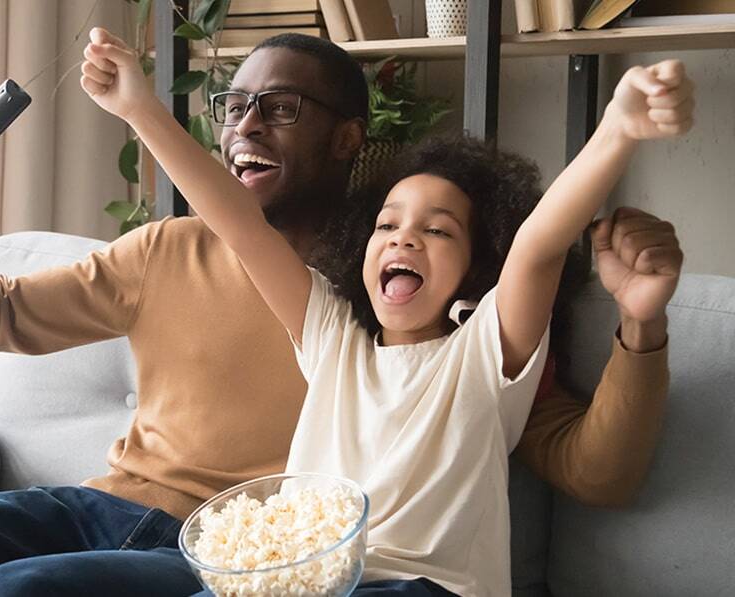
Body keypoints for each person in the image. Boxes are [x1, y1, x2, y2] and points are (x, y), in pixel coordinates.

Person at [0, 30, 686, 597]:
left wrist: (635, 278)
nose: (243, 127)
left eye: (279, 107)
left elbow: (542, 290)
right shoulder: (264, 294)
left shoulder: (468, 345)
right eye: (232, 106)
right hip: (99, 511)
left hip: (255, 558)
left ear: (348, 137)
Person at [79, 27, 692, 596]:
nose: (404, 239)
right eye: (387, 224)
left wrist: (617, 130)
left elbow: (538, 246)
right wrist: (140, 109)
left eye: (439, 231)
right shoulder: (332, 336)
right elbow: (239, 226)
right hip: (300, 583)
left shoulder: (482, 354)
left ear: (479, 269)